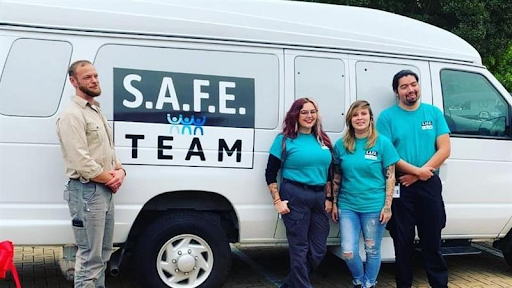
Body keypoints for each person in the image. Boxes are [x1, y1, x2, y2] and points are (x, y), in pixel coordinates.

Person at [377, 70, 451, 288]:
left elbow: (444, 149)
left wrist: (419, 174)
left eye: (413, 84)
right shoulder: (387, 117)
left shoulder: (433, 113)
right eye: (404, 86)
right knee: (403, 244)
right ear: (396, 91)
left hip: (428, 185)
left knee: (432, 242)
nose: (410, 89)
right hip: (401, 187)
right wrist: (416, 173)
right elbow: (389, 155)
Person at [56, 60, 126, 288]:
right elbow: (82, 162)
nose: (94, 80)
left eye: (95, 75)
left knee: (103, 255)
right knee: (89, 258)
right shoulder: (72, 115)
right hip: (87, 192)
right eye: (87, 77)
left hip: (103, 191)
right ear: (74, 81)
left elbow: (109, 152)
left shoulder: (96, 111)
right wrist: (111, 179)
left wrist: (121, 172)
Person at [265, 98, 334, 288]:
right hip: (295, 195)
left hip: (319, 197)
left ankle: (289, 285)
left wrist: (329, 198)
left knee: (318, 249)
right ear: (295, 114)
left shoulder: (323, 139)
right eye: (304, 112)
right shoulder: (285, 140)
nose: (309, 116)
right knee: (299, 248)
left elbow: (329, 173)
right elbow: (271, 172)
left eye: (312, 112)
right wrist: (277, 200)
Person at [331, 100, 399, 288]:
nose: (359, 118)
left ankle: (369, 283)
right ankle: (359, 280)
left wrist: (387, 207)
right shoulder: (341, 145)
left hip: (374, 207)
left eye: (363, 114)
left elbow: (390, 177)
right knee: (348, 251)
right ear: (350, 120)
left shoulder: (382, 143)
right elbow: (337, 175)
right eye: (355, 115)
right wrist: (335, 202)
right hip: (348, 206)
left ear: (370, 118)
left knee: (372, 249)